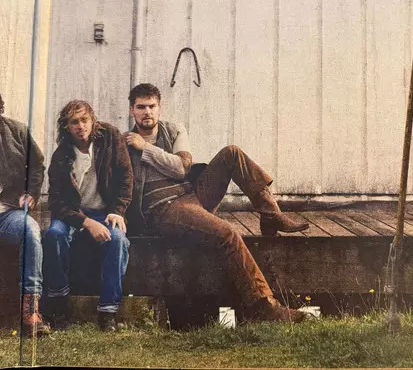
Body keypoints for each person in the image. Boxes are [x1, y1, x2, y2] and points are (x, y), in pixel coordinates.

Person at [124, 83, 310, 322]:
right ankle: (264, 306)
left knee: (231, 153)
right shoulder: (124, 143)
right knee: (227, 234)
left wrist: (146, 148)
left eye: (152, 106)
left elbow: (182, 168)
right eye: (141, 107)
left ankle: (270, 214)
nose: (147, 112)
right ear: (132, 110)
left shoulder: (174, 130)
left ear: (160, 108)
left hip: (191, 194)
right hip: (165, 209)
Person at [42, 100, 133, 332]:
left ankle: (108, 311)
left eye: (84, 120)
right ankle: (58, 306)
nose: (80, 126)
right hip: (75, 213)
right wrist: (86, 222)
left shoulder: (110, 137)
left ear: (93, 120)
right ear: (66, 126)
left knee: (118, 239)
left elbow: (125, 177)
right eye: (74, 122)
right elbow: (57, 202)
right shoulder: (61, 155)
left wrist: (117, 211)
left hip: (106, 211)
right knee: (54, 235)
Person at [0, 92, 50, 336]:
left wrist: (31, 192)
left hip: (7, 212)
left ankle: (31, 311)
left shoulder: (17, 131)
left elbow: (37, 164)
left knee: (30, 230)